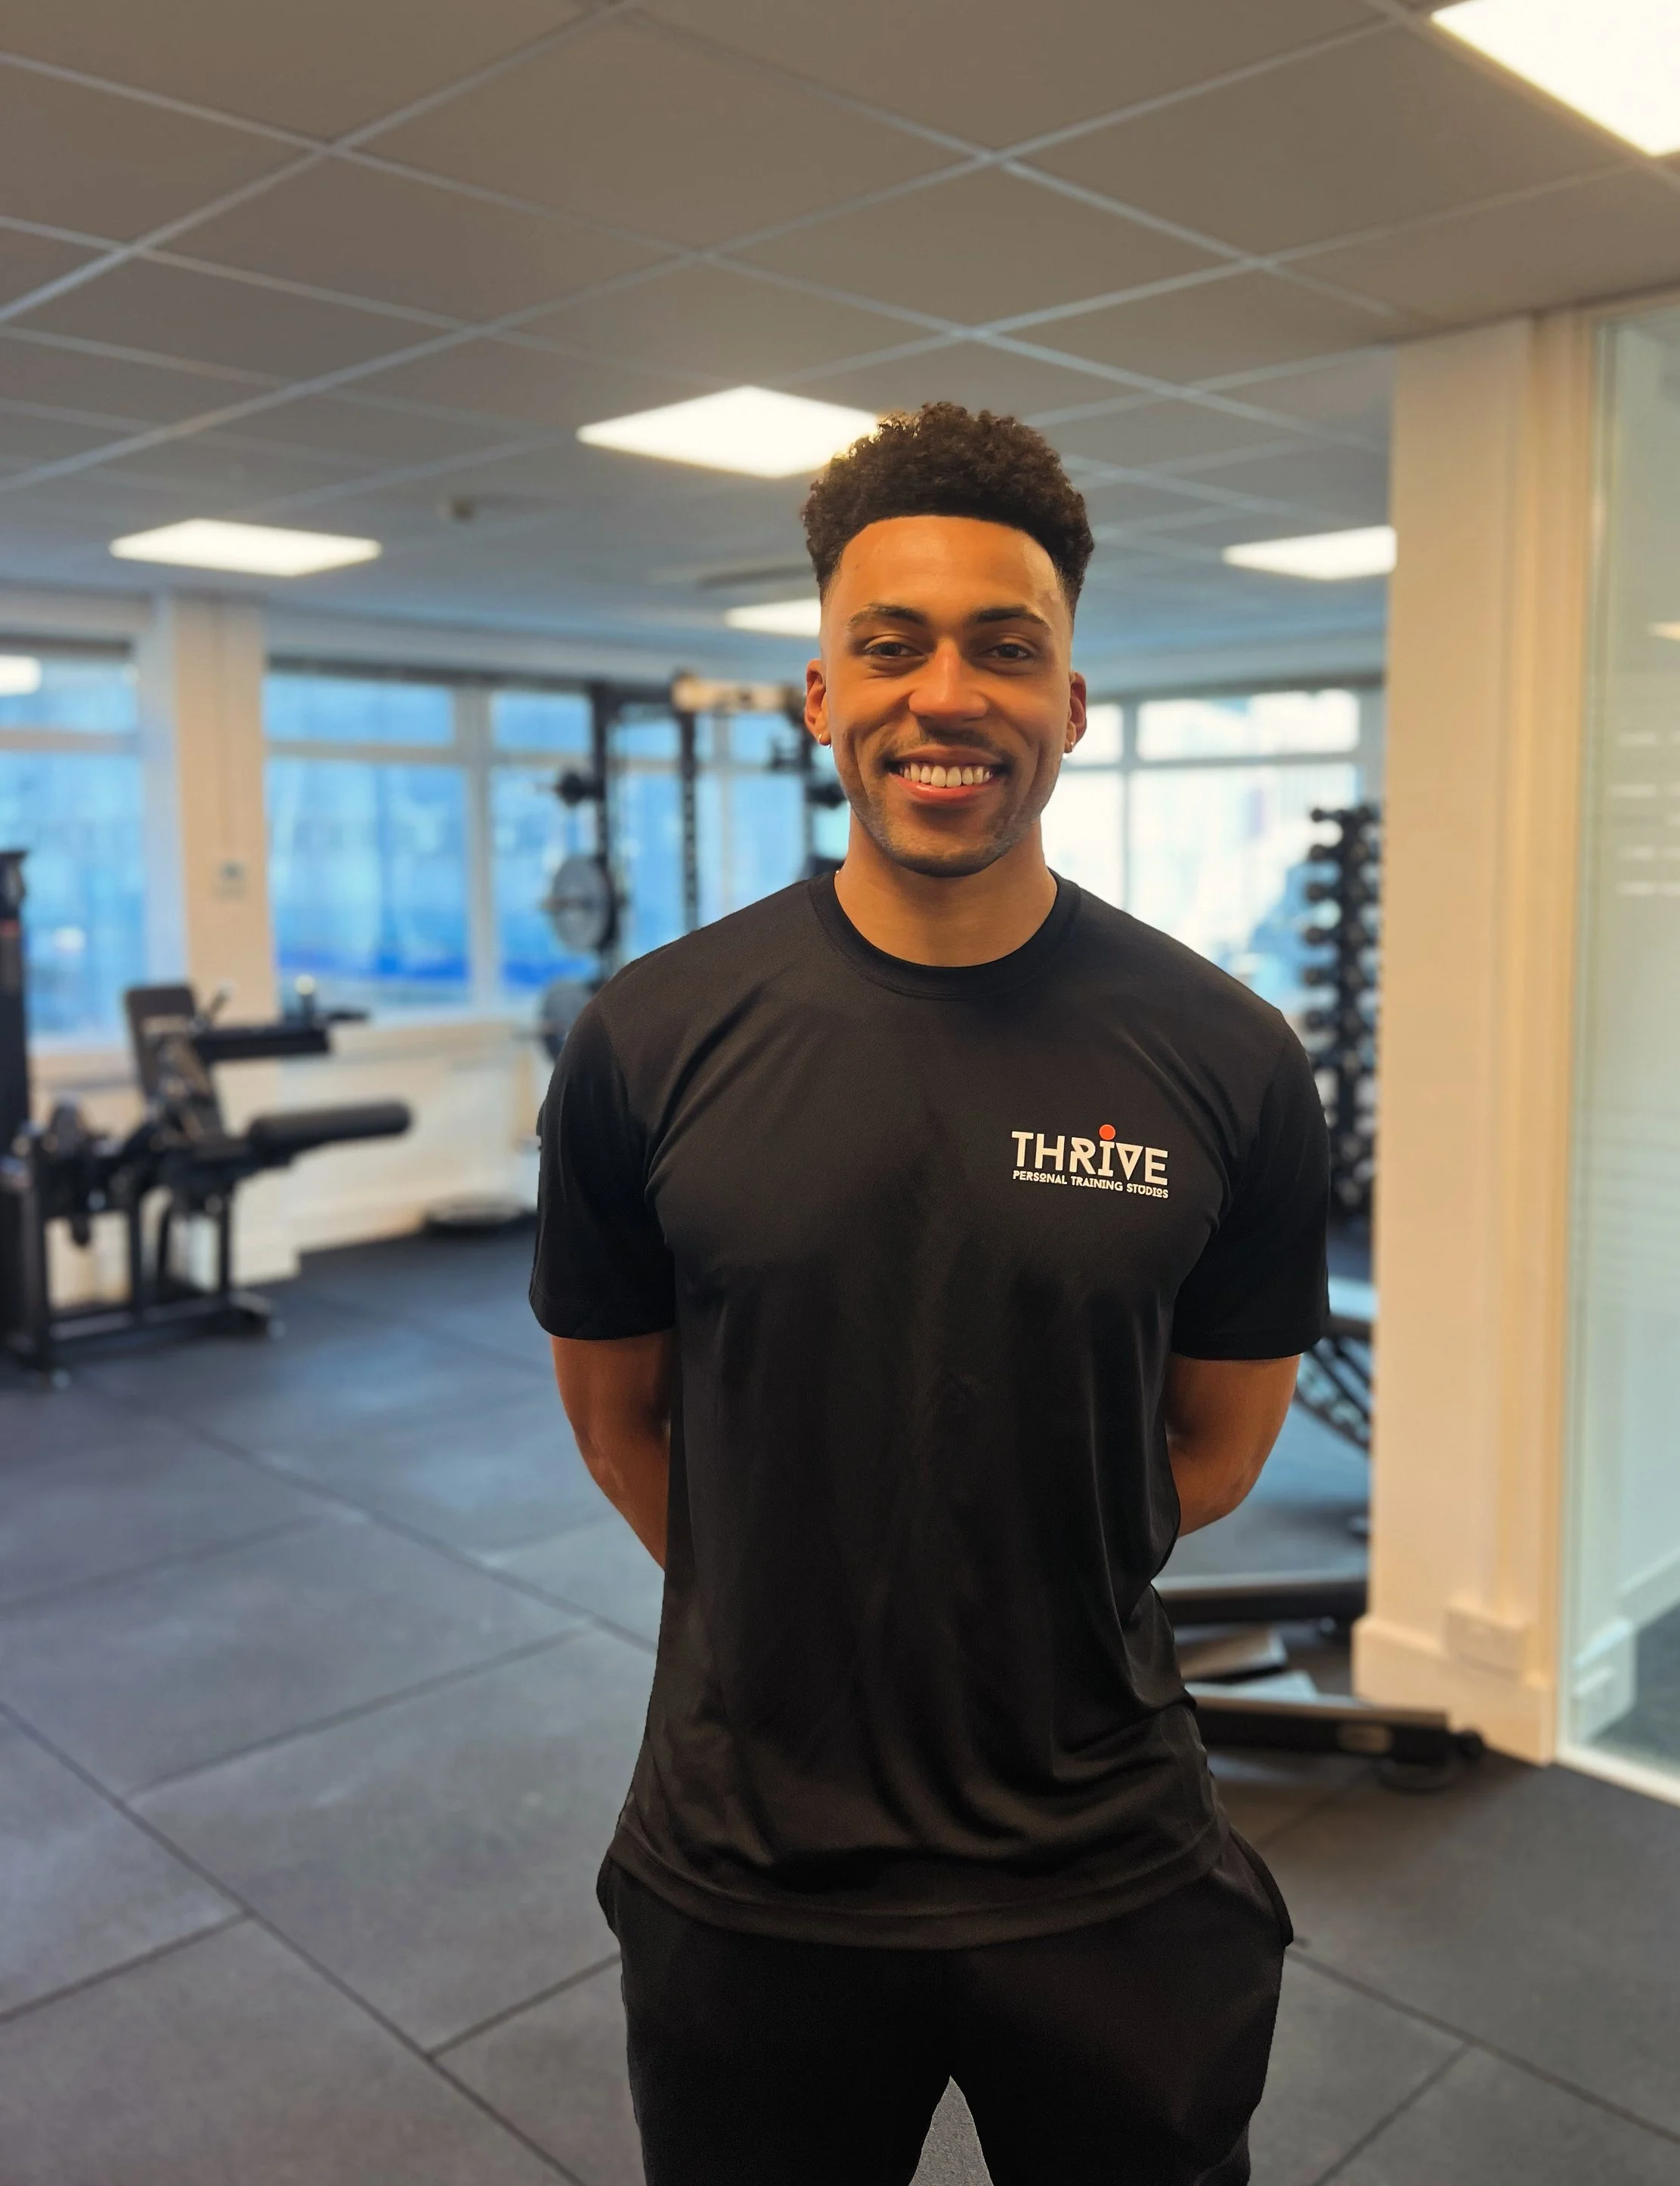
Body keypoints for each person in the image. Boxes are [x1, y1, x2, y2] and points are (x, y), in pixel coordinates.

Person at [532, 403, 1329, 2186]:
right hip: (749, 1869)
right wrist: (795, 1600)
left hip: (1109, 1864)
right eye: (889, 646)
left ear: (1071, 703)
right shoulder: (648, 1038)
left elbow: (1214, 1446)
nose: (943, 694)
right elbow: (618, 1418)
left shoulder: (1227, 1056)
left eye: (1003, 647)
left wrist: (1015, 1585)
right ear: (821, 694)